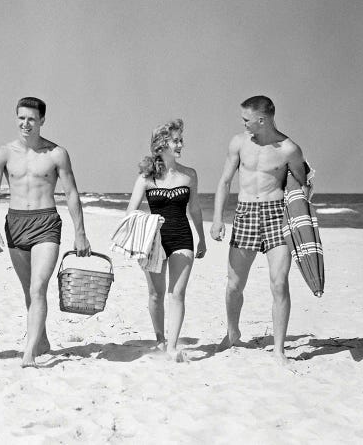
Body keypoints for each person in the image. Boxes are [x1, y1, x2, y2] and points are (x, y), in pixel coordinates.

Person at [0, 97, 92, 367]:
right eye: (21, 118)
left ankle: (29, 352)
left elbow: (71, 193)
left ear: (42, 120)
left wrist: (80, 233)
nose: (25, 123)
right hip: (16, 223)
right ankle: (41, 340)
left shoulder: (57, 154)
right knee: (28, 291)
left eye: (31, 119)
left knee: (38, 287)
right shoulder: (3, 153)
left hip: (46, 222)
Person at [210, 96, 307, 364]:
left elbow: (304, 184)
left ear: (261, 120)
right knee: (234, 285)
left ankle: (279, 350)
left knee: (279, 283)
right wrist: (217, 219)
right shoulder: (239, 143)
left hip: (277, 216)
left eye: (246, 120)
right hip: (245, 216)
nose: (243, 124)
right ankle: (232, 333)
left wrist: (302, 222)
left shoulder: (289, 150)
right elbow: (225, 181)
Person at [124, 119, 206, 362]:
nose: (181, 145)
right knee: (155, 294)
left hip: (182, 237)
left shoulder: (189, 175)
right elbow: (130, 212)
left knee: (177, 293)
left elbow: (196, 209)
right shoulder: (146, 178)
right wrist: (147, 226)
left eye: (181, 140)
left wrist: (201, 238)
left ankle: (171, 347)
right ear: (162, 145)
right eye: (176, 141)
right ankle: (160, 340)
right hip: (153, 242)